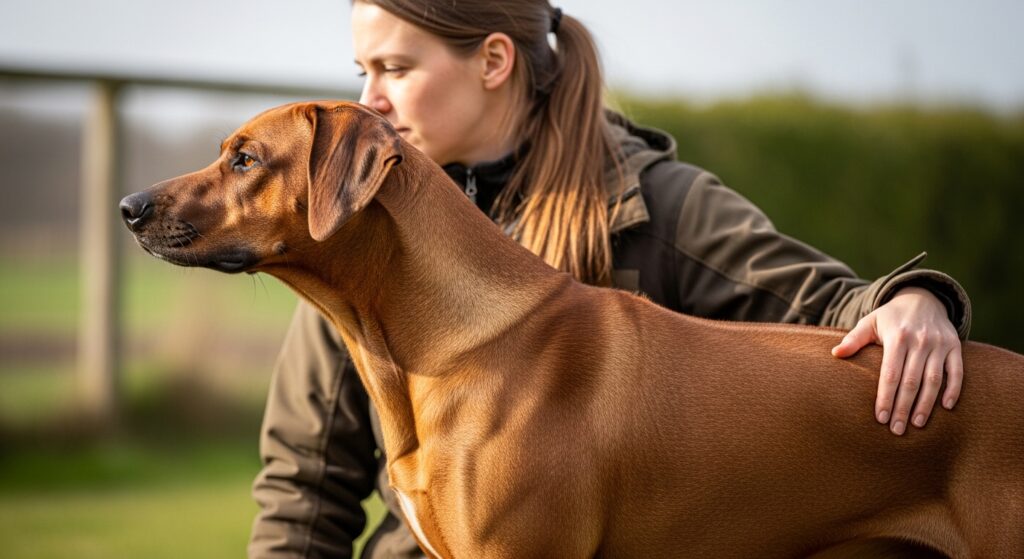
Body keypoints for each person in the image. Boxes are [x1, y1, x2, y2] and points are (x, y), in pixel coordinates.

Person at [248, 1, 972, 557]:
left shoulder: (653, 202)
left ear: (494, 60)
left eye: (395, 69)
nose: (371, 97)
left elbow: (827, 308)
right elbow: (307, 482)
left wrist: (912, 299)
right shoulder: (351, 226)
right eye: (362, 73)